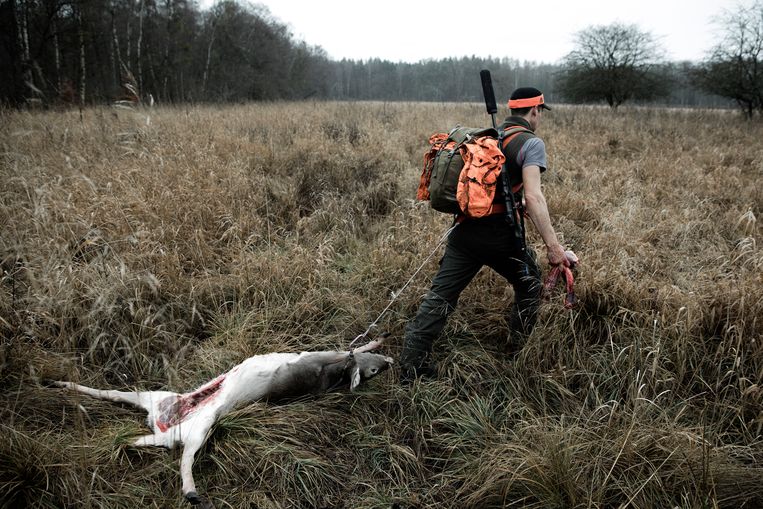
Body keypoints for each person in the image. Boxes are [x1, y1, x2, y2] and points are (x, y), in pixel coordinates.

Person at [399, 87, 570, 381]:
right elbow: (535, 197)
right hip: (502, 237)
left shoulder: (487, 135)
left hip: (465, 230)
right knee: (529, 285)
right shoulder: (531, 144)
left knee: (441, 296)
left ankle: (411, 366)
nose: (539, 117)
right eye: (540, 112)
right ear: (534, 111)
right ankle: (519, 351)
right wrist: (554, 248)